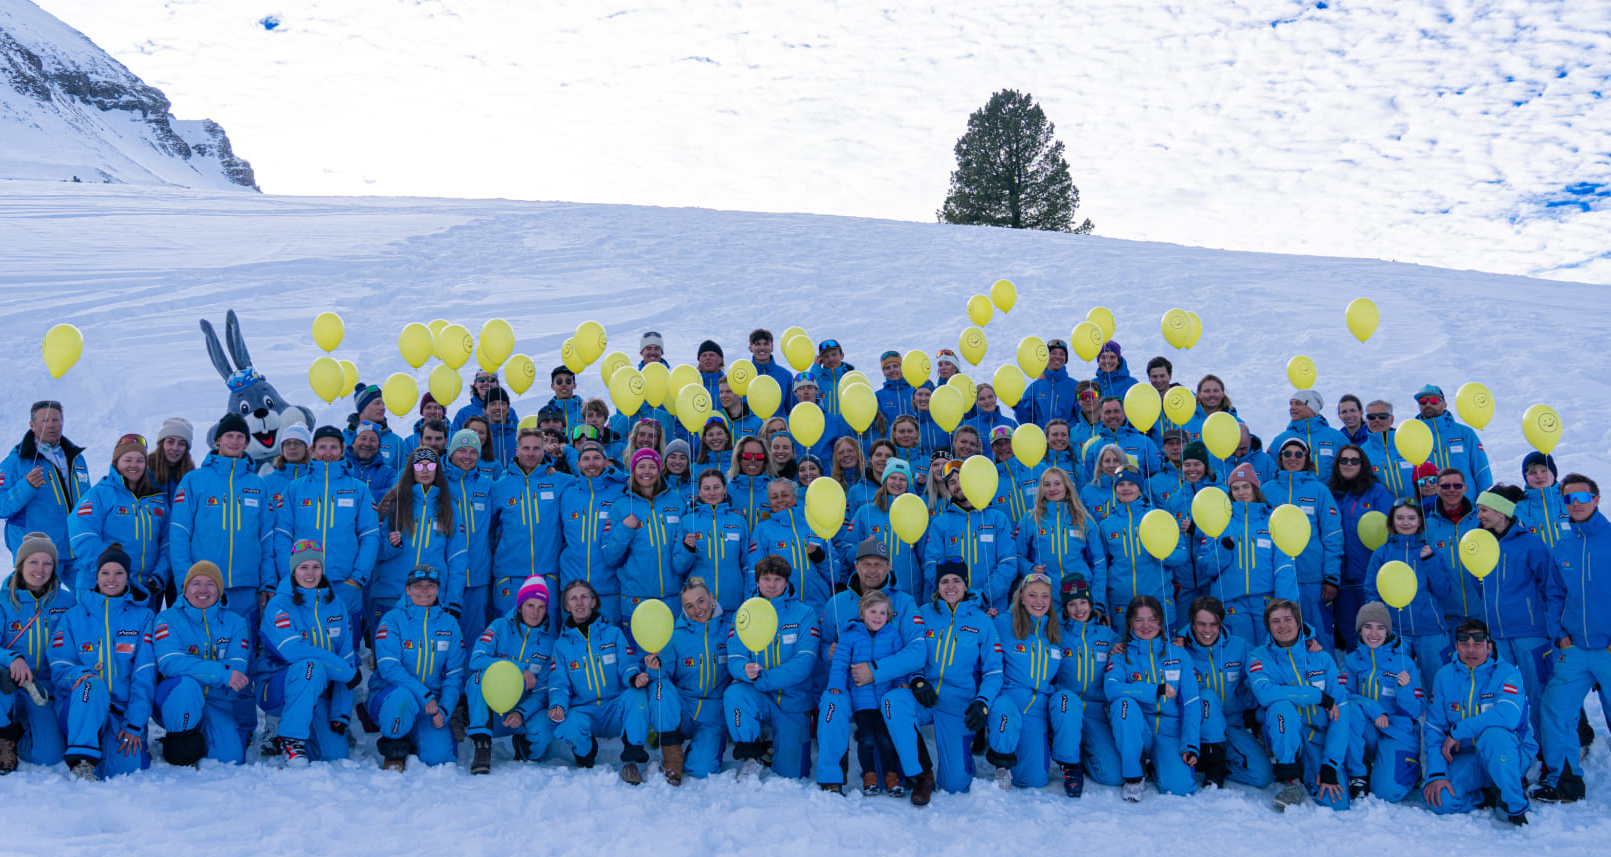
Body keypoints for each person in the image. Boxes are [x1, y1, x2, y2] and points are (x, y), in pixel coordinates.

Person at [880, 561, 1000, 803]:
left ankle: (959, 761)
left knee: (955, 785)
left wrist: (982, 702)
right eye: (944, 581)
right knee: (892, 701)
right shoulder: (924, 613)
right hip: (925, 696)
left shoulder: (982, 622)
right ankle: (919, 774)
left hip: (958, 704)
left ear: (966, 584)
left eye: (956, 580)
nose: (950, 586)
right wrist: (917, 680)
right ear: (937, 586)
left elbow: (994, 671)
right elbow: (912, 651)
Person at [49, 546, 156, 780]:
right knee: (92, 684)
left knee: (128, 769)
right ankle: (82, 762)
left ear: (128, 577)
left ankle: (106, 740)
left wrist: (135, 723)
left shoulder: (143, 617)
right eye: (105, 572)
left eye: (119, 573)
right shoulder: (73, 616)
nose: (111, 579)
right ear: (96, 576)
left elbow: (145, 673)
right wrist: (80, 674)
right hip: (81, 706)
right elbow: (59, 666)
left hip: (121, 711)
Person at [1534, 473, 1609, 802]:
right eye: (1569, 499)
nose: (1575, 504)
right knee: (1554, 710)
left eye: (1582, 497)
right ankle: (1564, 781)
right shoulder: (1563, 547)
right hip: (1575, 649)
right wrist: (1560, 636)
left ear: (1596, 499)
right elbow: (1554, 596)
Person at [1422, 619, 1534, 825]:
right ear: (1456, 646)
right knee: (1440, 801)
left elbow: (1507, 716)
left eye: (1477, 645)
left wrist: (1457, 731)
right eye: (1464, 644)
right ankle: (1490, 795)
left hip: (1508, 754)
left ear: (1489, 647)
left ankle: (1515, 806)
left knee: (1494, 734)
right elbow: (1434, 728)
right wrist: (1437, 773)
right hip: (1468, 758)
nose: (1470, 651)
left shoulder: (1508, 673)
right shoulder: (1444, 676)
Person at [257, 541, 359, 765]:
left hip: (319, 691)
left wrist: (340, 713)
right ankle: (290, 738)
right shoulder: (279, 605)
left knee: (335, 756)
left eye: (316, 566)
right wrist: (345, 672)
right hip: (278, 687)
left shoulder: (336, 604)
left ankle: (305, 727)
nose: (310, 573)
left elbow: (347, 659)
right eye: (304, 567)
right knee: (311, 665)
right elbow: (295, 652)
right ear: (293, 570)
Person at [1246, 599, 1350, 811]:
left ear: (1299, 622)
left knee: (1336, 802)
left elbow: (1341, 709)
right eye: (1275, 621)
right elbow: (1266, 694)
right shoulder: (1258, 657)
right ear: (1268, 626)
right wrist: (1317, 696)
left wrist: (1330, 764)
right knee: (1281, 707)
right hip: (1283, 729)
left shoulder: (1321, 658)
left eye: (1287, 619)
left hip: (1317, 737)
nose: (1282, 626)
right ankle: (1291, 780)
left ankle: (1323, 767)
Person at [985, 573, 1085, 793]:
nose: (1038, 602)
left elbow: (1086, 639)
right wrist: (982, 612)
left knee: (1032, 779)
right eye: (1032, 595)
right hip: (1009, 699)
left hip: (1037, 708)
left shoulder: (1056, 630)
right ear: (1021, 597)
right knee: (1004, 711)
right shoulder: (1001, 623)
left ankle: (1058, 757)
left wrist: (1119, 646)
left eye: (1045, 596)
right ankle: (1002, 762)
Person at [725, 555, 821, 780]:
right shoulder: (744, 613)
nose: (771, 585)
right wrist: (743, 669)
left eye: (778, 579)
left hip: (793, 702)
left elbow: (803, 663)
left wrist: (762, 679)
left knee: (793, 774)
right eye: (766, 579)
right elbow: (735, 657)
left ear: (787, 582)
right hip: (758, 696)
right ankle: (753, 755)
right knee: (735, 693)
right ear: (757, 582)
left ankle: (776, 745)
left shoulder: (804, 613)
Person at [149, 557, 252, 767]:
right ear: (185, 590)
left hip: (217, 702)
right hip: (176, 699)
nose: (202, 590)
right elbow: (170, 662)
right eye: (195, 583)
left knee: (230, 758)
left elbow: (238, 667)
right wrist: (221, 673)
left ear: (220, 590)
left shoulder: (236, 622)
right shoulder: (167, 619)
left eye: (210, 584)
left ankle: (211, 731)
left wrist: (198, 668)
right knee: (187, 684)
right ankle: (181, 742)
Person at [547, 579, 652, 781]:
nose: (579, 603)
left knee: (636, 695)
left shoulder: (613, 633)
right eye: (573, 599)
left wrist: (634, 677)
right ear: (567, 606)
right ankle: (585, 753)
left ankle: (631, 756)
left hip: (614, 707)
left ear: (593, 601)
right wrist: (558, 705)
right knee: (568, 725)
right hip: (585, 710)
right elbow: (559, 684)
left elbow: (627, 664)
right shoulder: (561, 646)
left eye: (584, 597)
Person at [273, 426, 379, 622]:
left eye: (333, 447)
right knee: (307, 643)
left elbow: (370, 536)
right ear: (312, 451)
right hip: (303, 582)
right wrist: (289, 576)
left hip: (346, 583)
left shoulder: (358, 489)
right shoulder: (295, 488)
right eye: (322, 447)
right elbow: (282, 535)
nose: (327, 453)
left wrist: (357, 578)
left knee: (347, 645)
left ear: (342, 450)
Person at [1472, 484, 1552, 737]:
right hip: (1497, 634)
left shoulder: (1531, 544)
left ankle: (1546, 749)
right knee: (1502, 694)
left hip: (1531, 633)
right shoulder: (1479, 543)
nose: (1479, 515)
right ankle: (1513, 745)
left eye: (1484, 510)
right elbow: (1478, 584)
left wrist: (1552, 628)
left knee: (1539, 692)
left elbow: (1550, 587)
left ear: (1501, 511)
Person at [367, 565, 466, 771]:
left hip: (431, 704)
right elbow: (389, 668)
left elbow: (454, 674)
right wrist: (424, 694)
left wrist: (446, 708)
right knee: (401, 698)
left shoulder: (449, 624)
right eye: (418, 586)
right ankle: (395, 746)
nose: (424, 591)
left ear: (438, 590)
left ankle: (416, 736)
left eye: (430, 586)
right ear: (407, 589)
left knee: (438, 759)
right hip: (393, 696)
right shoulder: (393, 619)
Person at [817, 588, 915, 795]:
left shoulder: (893, 636)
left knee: (886, 739)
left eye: (882, 613)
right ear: (862, 614)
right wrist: (836, 683)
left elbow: (898, 663)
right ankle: (869, 775)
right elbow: (840, 663)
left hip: (883, 699)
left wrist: (900, 683)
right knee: (867, 739)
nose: (878, 617)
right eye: (873, 612)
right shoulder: (850, 636)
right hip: (861, 699)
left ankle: (891, 776)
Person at [1104, 594, 1201, 801]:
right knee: (1124, 704)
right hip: (1138, 728)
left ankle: (1158, 765)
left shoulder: (1179, 655)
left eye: (1152, 619)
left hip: (1169, 731)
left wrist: (1190, 744)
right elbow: (1112, 689)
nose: (1145, 625)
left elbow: (1191, 702)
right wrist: (1153, 690)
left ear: (1160, 621)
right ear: (1129, 622)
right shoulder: (1121, 655)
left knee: (1181, 788)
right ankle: (1134, 777)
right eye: (1139, 619)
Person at [1194, 464, 1298, 644]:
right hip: (1231, 602)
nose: (1241, 492)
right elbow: (1206, 567)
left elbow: (1283, 566)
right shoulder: (1219, 523)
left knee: (1269, 651)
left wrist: (1284, 605)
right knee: (1239, 654)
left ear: (1255, 489)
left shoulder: (1272, 523)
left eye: (1245, 486)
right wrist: (1223, 551)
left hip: (1266, 602)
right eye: (1235, 488)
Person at [644, 576, 733, 783]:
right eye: (689, 606)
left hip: (713, 712)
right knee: (660, 686)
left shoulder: (729, 631)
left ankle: (698, 748)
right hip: (683, 707)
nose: (697, 610)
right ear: (683, 608)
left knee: (701, 770)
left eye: (701, 601)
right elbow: (662, 676)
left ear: (711, 598)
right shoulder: (674, 635)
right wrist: (652, 668)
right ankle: (671, 751)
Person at [1179, 596, 1273, 790]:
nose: (1207, 631)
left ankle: (1214, 763)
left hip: (1232, 723)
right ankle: (1213, 767)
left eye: (1213, 624)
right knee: (1206, 696)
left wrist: (1307, 643)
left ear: (1221, 623)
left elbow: (1268, 664)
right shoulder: (1179, 649)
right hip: (1193, 727)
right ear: (1192, 623)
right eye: (1201, 624)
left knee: (1262, 775)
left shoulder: (1239, 646)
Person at [0, 532, 76, 771]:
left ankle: (21, 728)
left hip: (42, 685)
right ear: (21, 564)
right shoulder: (3, 600)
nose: (40, 569)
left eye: (47, 563)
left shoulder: (66, 601)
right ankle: (4, 737)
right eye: (33, 562)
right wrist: (12, 658)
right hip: (7, 680)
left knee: (48, 755)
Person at [373, 448, 467, 635]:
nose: (425, 470)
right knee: (386, 654)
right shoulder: (393, 502)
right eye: (419, 465)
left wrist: (453, 599)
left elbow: (458, 557)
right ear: (411, 469)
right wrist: (390, 546)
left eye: (430, 465)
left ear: (437, 470)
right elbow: (374, 549)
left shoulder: (449, 507)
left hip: (430, 595)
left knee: (424, 656)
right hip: (391, 592)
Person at [68, 434, 169, 608]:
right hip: (101, 587)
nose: (134, 465)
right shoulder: (99, 494)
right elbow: (83, 537)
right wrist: (115, 573)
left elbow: (168, 542)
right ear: (116, 463)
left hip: (144, 591)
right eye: (127, 459)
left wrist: (160, 575)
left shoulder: (157, 500)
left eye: (140, 460)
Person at [466, 575, 555, 774]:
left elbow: (542, 691)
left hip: (521, 713)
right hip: (491, 714)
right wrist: (517, 668)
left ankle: (524, 747)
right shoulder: (498, 626)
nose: (535, 612)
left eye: (541, 607)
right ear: (520, 605)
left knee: (545, 731)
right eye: (530, 605)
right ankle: (482, 745)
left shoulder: (549, 642)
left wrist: (521, 713)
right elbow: (476, 660)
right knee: (477, 679)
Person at [1363, 499, 1453, 694]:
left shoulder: (1430, 552)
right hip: (1396, 632)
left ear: (1420, 521)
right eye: (1400, 518)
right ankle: (1405, 724)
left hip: (1431, 630)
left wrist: (1429, 561)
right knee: (1397, 687)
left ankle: (1439, 723)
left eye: (1411, 518)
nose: (1406, 523)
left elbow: (1443, 590)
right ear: (1392, 521)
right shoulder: (1382, 553)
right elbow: (1372, 590)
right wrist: (1380, 626)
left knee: (1438, 687)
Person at [1265, 438, 1343, 650]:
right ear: (1280, 459)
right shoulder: (1267, 490)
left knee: (1318, 637)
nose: (1293, 458)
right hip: (1276, 579)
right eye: (1287, 454)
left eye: (1299, 454)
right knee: (1281, 637)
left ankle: (1325, 680)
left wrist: (1331, 576)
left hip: (1311, 579)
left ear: (1307, 459)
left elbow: (1332, 534)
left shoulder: (1319, 490)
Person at [1342, 602, 1424, 802]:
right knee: (1350, 710)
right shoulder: (1352, 661)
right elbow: (1343, 695)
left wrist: (1404, 690)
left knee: (1386, 793)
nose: (1374, 633)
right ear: (1360, 630)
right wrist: (1374, 709)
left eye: (1380, 628)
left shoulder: (1404, 662)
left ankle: (1407, 770)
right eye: (1368, 626)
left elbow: (1414, 712)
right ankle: (1358, 775)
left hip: (1397, 732)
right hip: (1369, 727)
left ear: (1388, 632)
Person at [604, 448, 689, 632]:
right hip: (635, 597)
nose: (647, 472)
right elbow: (610, 557)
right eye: (641, 466)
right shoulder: (621, 506)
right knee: (639, 655)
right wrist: (625, 529)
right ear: (633, 471)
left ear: (659, 470)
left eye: (652, 467)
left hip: (672, 595)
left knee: (669, 655)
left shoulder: (676, 502)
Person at [489, 429, 569, 616]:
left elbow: (590, 481)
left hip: (547, 575)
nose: (531, 453)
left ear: (544, 451)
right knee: (509, 636)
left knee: (546, 637)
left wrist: (569, 452)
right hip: (510, 576)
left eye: (536, 448)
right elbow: (488, 532)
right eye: (526, 448)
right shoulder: (500, 487)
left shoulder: (560, 481)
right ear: (517, 451)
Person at [1, 400, 91, 562]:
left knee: (94, 587)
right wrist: (25, 487)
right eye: (44, 420)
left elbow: (86, 502)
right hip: (37, 553)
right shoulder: (16, 462)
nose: (51, 425)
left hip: (75, 549)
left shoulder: (77, 459)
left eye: (56, 420)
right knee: (39, 589)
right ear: (32, 425)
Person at [1052, 577, 1118, 792]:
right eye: (1071, 604)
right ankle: (1070, 765)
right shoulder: (1056, 635)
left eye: (1082, 602)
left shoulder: (1108, 637)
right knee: (1066, 700)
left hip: (1094, 710)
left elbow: (1138, 647)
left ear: (1091, 604)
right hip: (1064, 705)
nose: (1078, 609)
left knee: (1112, 776)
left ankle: (1081, 750)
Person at [922, 464, 1018, 612]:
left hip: (992, 607)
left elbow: (1008, 563)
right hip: (953, 606)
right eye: (952, 482)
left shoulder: (998, 518)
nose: (958, 485)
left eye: (961, 479)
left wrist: (985, 595)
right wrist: (954, 595)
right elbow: (931, 565)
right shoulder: (940, 524)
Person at [1098, 470, 1186, 627]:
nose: (1126, 488)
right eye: (1121, 484)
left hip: (1158, 597)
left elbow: (1181, 552)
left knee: (1163, 648)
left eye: (1131, 484)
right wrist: (1103, 606)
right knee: (1124, 648)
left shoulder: (1158, 517)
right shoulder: (1106, 525)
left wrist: (1163, 556)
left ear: (1140, 488)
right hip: (1121, 602)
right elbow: (1101, 567)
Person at [1329, 444, 1396, 650]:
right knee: (1351, 636)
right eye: (1344, 460)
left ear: (1363, 464)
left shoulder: (1376, 493)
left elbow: (1391, 532)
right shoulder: (1330, 493)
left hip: (1370, 577)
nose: (1349, 464)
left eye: (1354, 460)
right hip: (1341, 579)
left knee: (1376, 634)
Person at [1016, 467, 1107, 606]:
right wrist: (1030, 568)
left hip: (1079, 596)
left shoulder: (1083, 519)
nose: (1052, 488)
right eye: (1047, 484)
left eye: (1057, 483)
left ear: (1067, 486)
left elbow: (1099, 563)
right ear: (1041, 489)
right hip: (1046, 596)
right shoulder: (1031, 519)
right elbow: (1018, 555)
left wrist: (1099, 601)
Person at [442, 430, 497, 639]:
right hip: (447, 576)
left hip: (478, 574)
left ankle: (472, 673)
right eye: (462, 450)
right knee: (447, 636)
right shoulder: (440, 483)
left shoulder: (487, 485)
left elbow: (495, 523)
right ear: (451, 453)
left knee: (475, 634)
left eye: (473, 451)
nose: (467, 456)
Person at [747, 480, 834, 609]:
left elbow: (835, 575)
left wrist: (821, 559)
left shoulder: (815, 525)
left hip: (818, 605)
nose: (780, 500)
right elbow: (754, 573)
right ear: (769, 501)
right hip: (781, 608)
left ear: (794, 497)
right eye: (774, 497)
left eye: (785, 495)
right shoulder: (762, 530)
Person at [674, 470, 752, 613]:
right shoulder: (688, 521)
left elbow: (747, 563)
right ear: (699, 491)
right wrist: (687, 549)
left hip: (732, 602)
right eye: (706, 488)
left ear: (725, 488)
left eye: (716, 487)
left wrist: (748, 596)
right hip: (699, 606)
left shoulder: (738, 521)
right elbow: (679, 568)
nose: (712, 493)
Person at [1424, 467, 1483, 627]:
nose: (1452, 490)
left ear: (1465, 488)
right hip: (1446, 615)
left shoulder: (1481, 520)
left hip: (1483, 610)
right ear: (1437, 488)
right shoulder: (1427, 527)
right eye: (1445, 486)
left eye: (1457, 486)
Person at [1413, 385, 1490, 504]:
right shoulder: (1411, 436)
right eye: (1423, 401)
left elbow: (1481, 469)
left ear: (1444, 404)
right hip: (1432, 510)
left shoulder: (1464, 433)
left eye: (1434, 401)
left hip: (1468, 506)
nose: (1428, 404)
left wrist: (1486, 501)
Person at [1271, 390, 1349, 483]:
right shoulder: (1281, 439)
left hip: (1331, 495)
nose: (1292, 408)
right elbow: (1269, 470)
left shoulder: (1336, 437)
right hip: (1292, 495)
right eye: (1291, 404)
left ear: (1312, 408)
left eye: (1298, 403)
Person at [1079, 398, 1162, 481]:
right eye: (1108, 412)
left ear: (1124, 414)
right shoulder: (1093, 448)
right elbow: (1087, 481)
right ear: (1101, 416)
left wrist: (1142, 489)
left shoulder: (1144, 442)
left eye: (1116, 411)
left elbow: (1157, 475)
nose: (1112, 416)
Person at [1361, 400, 1419, 503]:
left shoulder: (1408, 446)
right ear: (1366, 420)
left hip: (1413, 510)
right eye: (1372, 417)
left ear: (1392, 419)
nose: (1377, 420)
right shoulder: (1361, 453)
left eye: (1382, 416)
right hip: (1382, 512)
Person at [1013, 339, 1078, 427]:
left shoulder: (1075, 386)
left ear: (1065, 359)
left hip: (1067, 439)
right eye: (1053, 353)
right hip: (1042, 439)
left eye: (1062, 354)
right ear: (1046, 357)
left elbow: (1083, 417)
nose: (1058, 356)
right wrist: (1017, 405)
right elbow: (1026, 421)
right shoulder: (1035, 387)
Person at [343, 383, 408, 469]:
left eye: (383, 404)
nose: (382, 408)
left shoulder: (396, 442)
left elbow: (403, 476)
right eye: (377, 403)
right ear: (362, 407)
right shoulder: (342, 439)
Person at [789, 374, 849, 461]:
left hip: (827, 472)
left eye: (810, 387)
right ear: (795, 392)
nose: (806, 392)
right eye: (801, 388)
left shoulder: (833, 421)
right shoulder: (788, 422)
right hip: (799, 473)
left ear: (816, 390)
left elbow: (843, 453)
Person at [990, 426, 1043, 523]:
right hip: (1006, 537)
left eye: (1007, 442)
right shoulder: (990, 479)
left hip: (1039, 535)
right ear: (992, 449)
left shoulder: (1038, 469)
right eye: (998, 444)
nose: (1003, 447)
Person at [1517, 452, 1568, 549]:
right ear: (1526, 477)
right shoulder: (1518, 508)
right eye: (1532, 473)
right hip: (1535, 563)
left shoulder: (1569, 501)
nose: (1539, 476)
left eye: (1544, 471)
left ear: (1554, 473)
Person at [148, 417, 196, 509]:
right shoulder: (145, 471)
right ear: (161, 444)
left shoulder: (191, 476)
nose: (175, 448)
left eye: (181, 443)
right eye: (170, 442)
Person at [725, 436, 772, 529]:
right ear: (739, 459)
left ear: (765, 461)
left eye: (759, 457)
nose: (753, 460)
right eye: (747, 456)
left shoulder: (774, 489)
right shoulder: (726, 489)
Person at [344, 421, 397, 498]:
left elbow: (394, 495)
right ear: (353, 443)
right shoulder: (342, 467)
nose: (367, 443)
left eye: (373, 440)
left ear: (378, 446)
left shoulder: (388, 473)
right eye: (363, 438)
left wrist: (356, 495)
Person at [451, 370, 518, 432]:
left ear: (497, 383)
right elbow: (454, 441)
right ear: (475, 383)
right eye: (481, 380)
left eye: (491, 380)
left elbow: (519, 438)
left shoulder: (508, 411)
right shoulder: (463, 413)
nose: (486, 383)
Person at [747, 329, 795, 413]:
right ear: (750, 347)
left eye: (765, 344)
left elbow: (792, 409)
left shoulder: (786, 376)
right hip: (751, 426)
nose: (762, 348)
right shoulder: (743, 375)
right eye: (757, 344)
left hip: (779, 426)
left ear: (772, 346)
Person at [810, 339, 853, 419]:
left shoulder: (852, 379)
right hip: (824, 429)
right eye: (826, 356)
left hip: (848, 429)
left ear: (842, 355)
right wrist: (816, 366)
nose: (831, 359)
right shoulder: (818, 381)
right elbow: (808, 388)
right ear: (821, 359)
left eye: (834, 354)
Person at [874, 351, 917, 427]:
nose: (892, 370)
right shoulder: (878, 396)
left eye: (895, 366)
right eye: (887, 368)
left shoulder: (914, 391)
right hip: (889, 438)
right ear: (883, 372)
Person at [541, 367, 584, 433]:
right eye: (559, 382)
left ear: (574, 385)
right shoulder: (545, 414)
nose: (564, 384)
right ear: (552, 386)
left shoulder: (586, 411)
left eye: (568, 381)